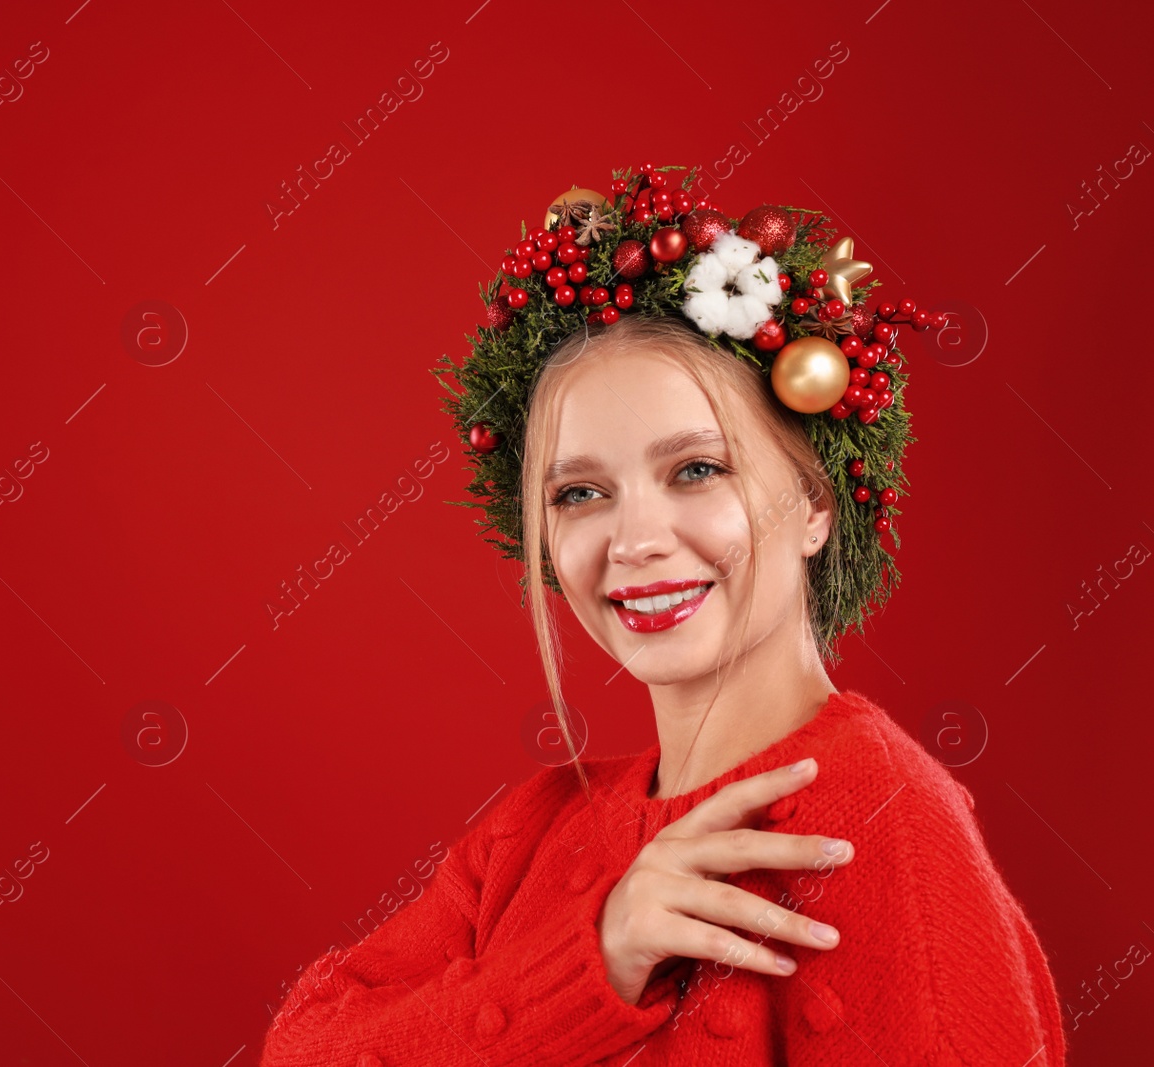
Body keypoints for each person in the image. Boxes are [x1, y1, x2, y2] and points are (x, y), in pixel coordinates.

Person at [257, 165, 1068, 1065]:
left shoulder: (877, 827)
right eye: (579, 491)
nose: (634, 539)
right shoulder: (531, 829)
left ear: (815, 504)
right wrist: (593, 960)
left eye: (696, 470)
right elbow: (303, 1046)